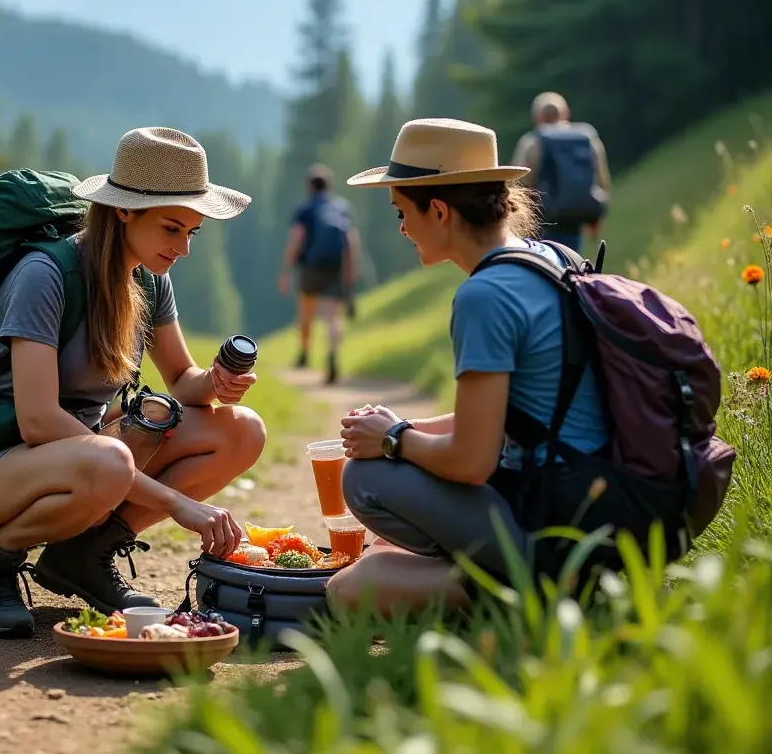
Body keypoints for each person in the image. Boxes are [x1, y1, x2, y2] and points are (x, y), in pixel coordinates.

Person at [325, 118, 682, 618]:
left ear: (441, 211)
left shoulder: (484, 296)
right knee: (375, 499)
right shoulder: (552, 258)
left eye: (402, 212)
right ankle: (524, 577)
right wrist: (395, 428)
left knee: (363, 486)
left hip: (552, 520)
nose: (401, 228)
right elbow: (518, 419)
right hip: (598, 506)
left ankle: (525, 592)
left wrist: (393, 439)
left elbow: (473, 460)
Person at [0, 128, 267, 638]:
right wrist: (175, 502)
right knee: (111, 460)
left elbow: (180, 379)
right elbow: (38, 420)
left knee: (243, 429)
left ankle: (83, 557)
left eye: (191, 233)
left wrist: (215, 383)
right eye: (172, 229)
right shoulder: (44, 275)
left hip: (92, 464)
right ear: (124, 211)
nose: (183, 249)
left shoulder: (149, 281)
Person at [278, 164, 360, 385]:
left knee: (306, 311)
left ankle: (304, 353)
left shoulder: (305, 210)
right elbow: (351, 242)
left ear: (309, 187)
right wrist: (351, 272)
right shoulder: (342, 208)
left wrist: (286, 271)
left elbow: (296, 240)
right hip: (335, 267)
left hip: (311, 267)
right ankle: (332, 357)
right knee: (334, 317)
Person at [511, 92, 611, 253]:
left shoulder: (532, 142)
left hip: (542, 221)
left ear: (537, 118)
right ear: (566, 113)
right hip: (574, 218)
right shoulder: (587, 139)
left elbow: (519, 185)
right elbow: (602, 181)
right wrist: (595, 220)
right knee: (570, 264)